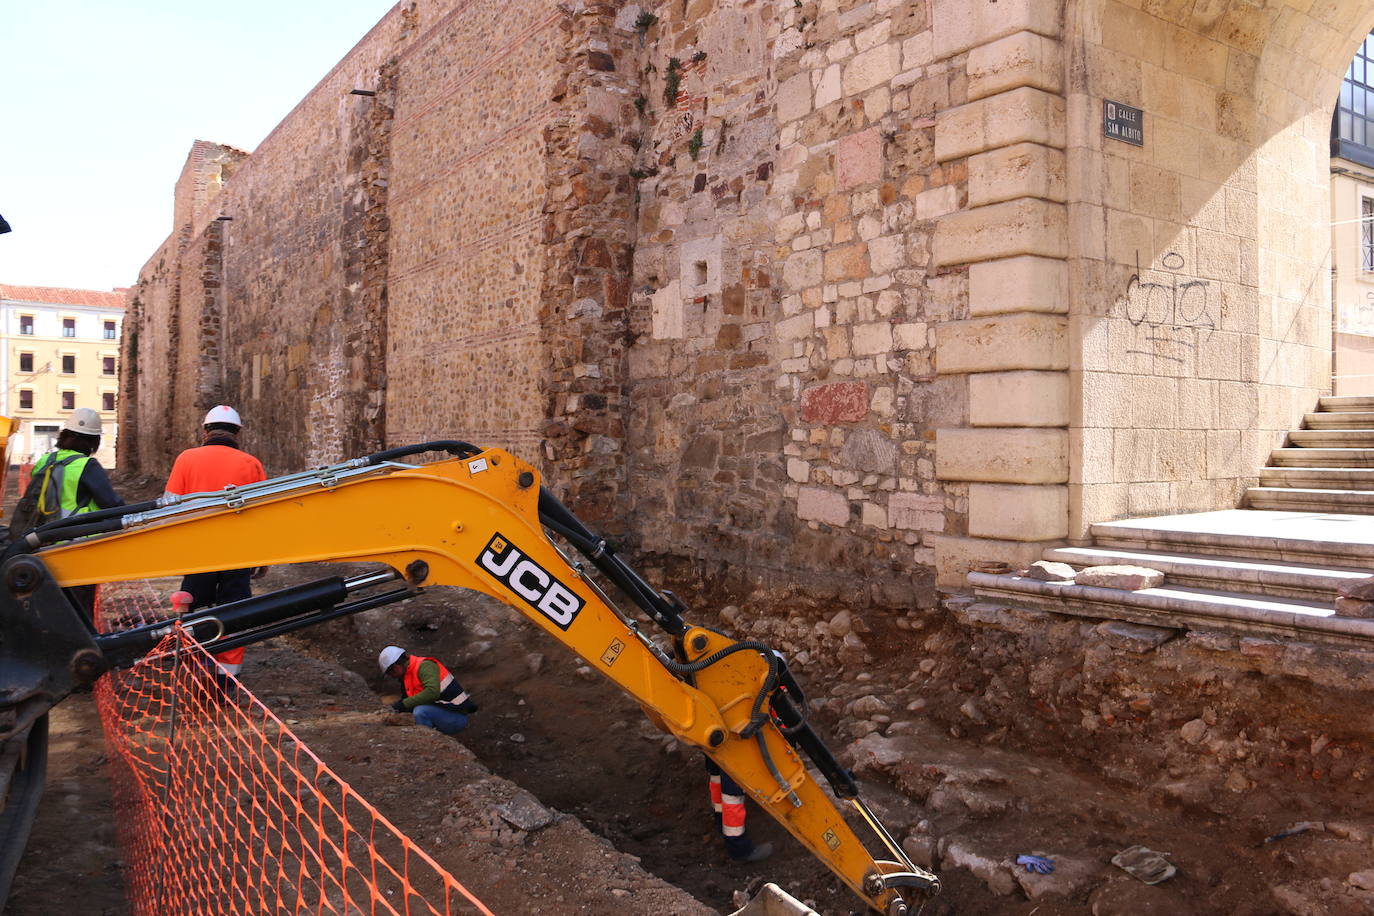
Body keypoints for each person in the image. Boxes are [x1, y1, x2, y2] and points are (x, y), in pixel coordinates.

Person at [164, 405, 267, 681]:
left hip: (198, 549)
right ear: (238, 433)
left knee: (193, 606)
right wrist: (263, 556)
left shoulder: (186, 459)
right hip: (238, 552)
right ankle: (226, 676)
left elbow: (169, 507)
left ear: (205, 431)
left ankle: (193, 666)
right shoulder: (251, 464)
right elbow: (264, 514)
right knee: (234, 610)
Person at [20, 408, 123, 619]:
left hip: (43, 543)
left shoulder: (45, 461)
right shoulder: (86, 465)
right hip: (78, 547)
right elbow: (111, 504)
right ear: (93, 441)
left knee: (51, 602)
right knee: (79, 608)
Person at [378, 645, 478, 735]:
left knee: (420, 712)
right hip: (444, 713)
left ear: (396, 668)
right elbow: (408, 701)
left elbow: (432, 693)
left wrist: (403, 704)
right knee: (416, 711)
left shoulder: (425, 666)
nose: (392, 677)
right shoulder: (408, 676)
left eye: (391, 674)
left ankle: (426, 740)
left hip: (456, 717)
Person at [706, 758, 773, 864]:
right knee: (732, 795)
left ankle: (722, 826)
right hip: (728, 748)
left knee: (717, 778)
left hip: (712, 747)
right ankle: (740, 849)